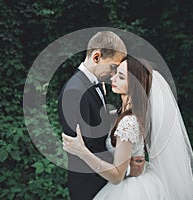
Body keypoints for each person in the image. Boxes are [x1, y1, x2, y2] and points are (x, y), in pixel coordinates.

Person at [62, 55, 193, 199]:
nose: (113, 78)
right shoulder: (122, 114)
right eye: (115, 73)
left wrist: (82, 152)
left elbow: (117, 175)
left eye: (121, 77)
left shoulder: (128, 123)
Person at [58, 31, 145, 200]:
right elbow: (89, 146)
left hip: (105, 183)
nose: (114, 74)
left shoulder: (93, 84)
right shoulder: (75, 91)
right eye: (113, 67)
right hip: (89, 185)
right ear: (96, 57)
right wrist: (125, 168)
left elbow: (98, 126)